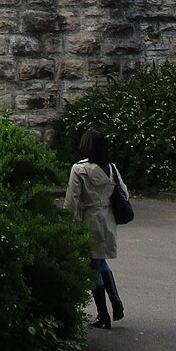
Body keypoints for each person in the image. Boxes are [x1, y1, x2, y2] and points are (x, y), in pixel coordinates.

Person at [63, 128, 127, 329]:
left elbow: (71, 201)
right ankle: (116, 303)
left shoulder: (79, 169)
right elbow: (124, 192)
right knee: (100, 261)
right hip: (108, 220)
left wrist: (68, 226)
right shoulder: (112, 168)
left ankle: (103, 315)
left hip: (90, 219)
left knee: (93, 267)